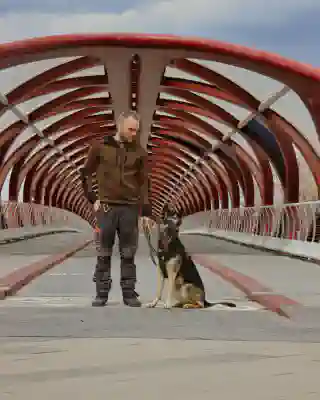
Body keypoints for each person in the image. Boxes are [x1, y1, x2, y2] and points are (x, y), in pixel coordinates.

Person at [81, 110, 153, 307]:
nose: (134, 134)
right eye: (130, 129)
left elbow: (144, 183)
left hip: (130, 208)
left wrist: (146, 212)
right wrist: (92, 198)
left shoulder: (139, 152)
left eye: (136, 130)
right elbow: (85, 173)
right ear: (120, 126)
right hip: (106, 208)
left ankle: (129, 294)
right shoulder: (100, 147)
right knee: (104, 252)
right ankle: (101, 293)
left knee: (128, 253)